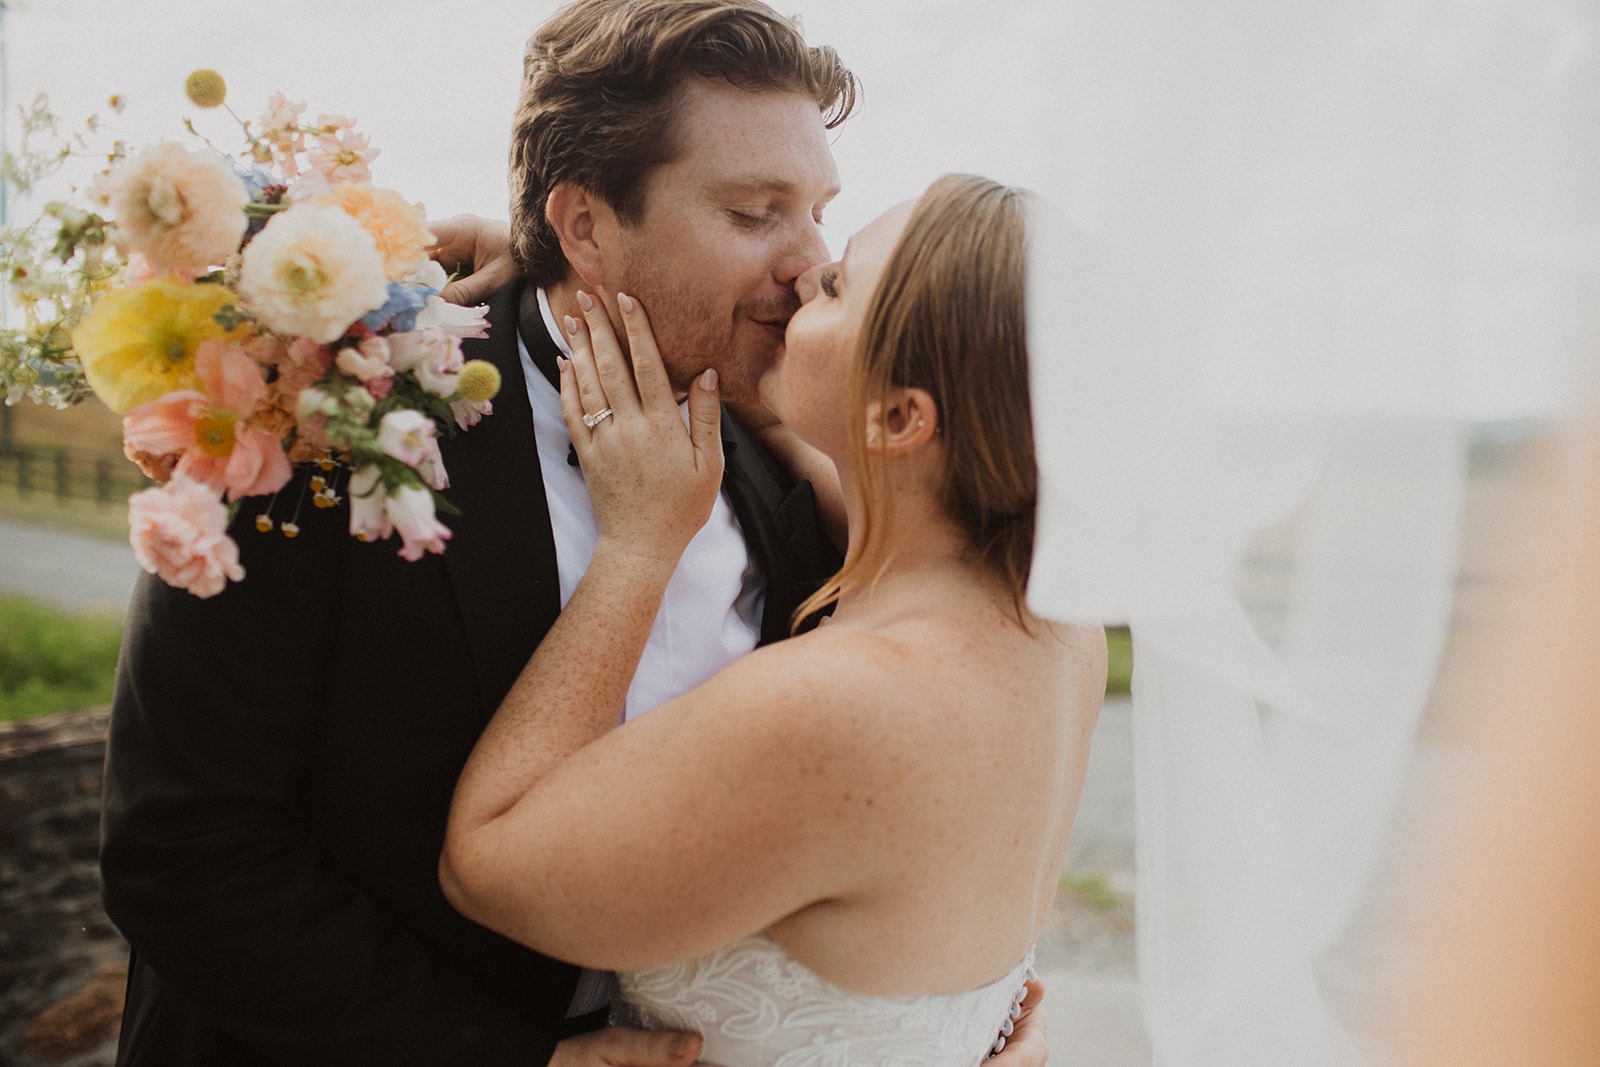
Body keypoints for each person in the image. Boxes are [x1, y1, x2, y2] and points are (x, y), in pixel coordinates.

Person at [99, 2, 880, 1064]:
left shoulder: (778, 462)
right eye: (755, 213)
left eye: (817, 211)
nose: (809, 263)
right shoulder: (331, 415)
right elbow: (184, 849)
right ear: (586, 223)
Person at [441, 173, 1106, 1065]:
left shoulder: (844, 701)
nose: (803, 274)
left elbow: (486, 862)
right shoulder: (1061, 627)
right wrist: (584, 261)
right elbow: (866, 479)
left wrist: (639, 548)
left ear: (902, 416)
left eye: (838, 287)